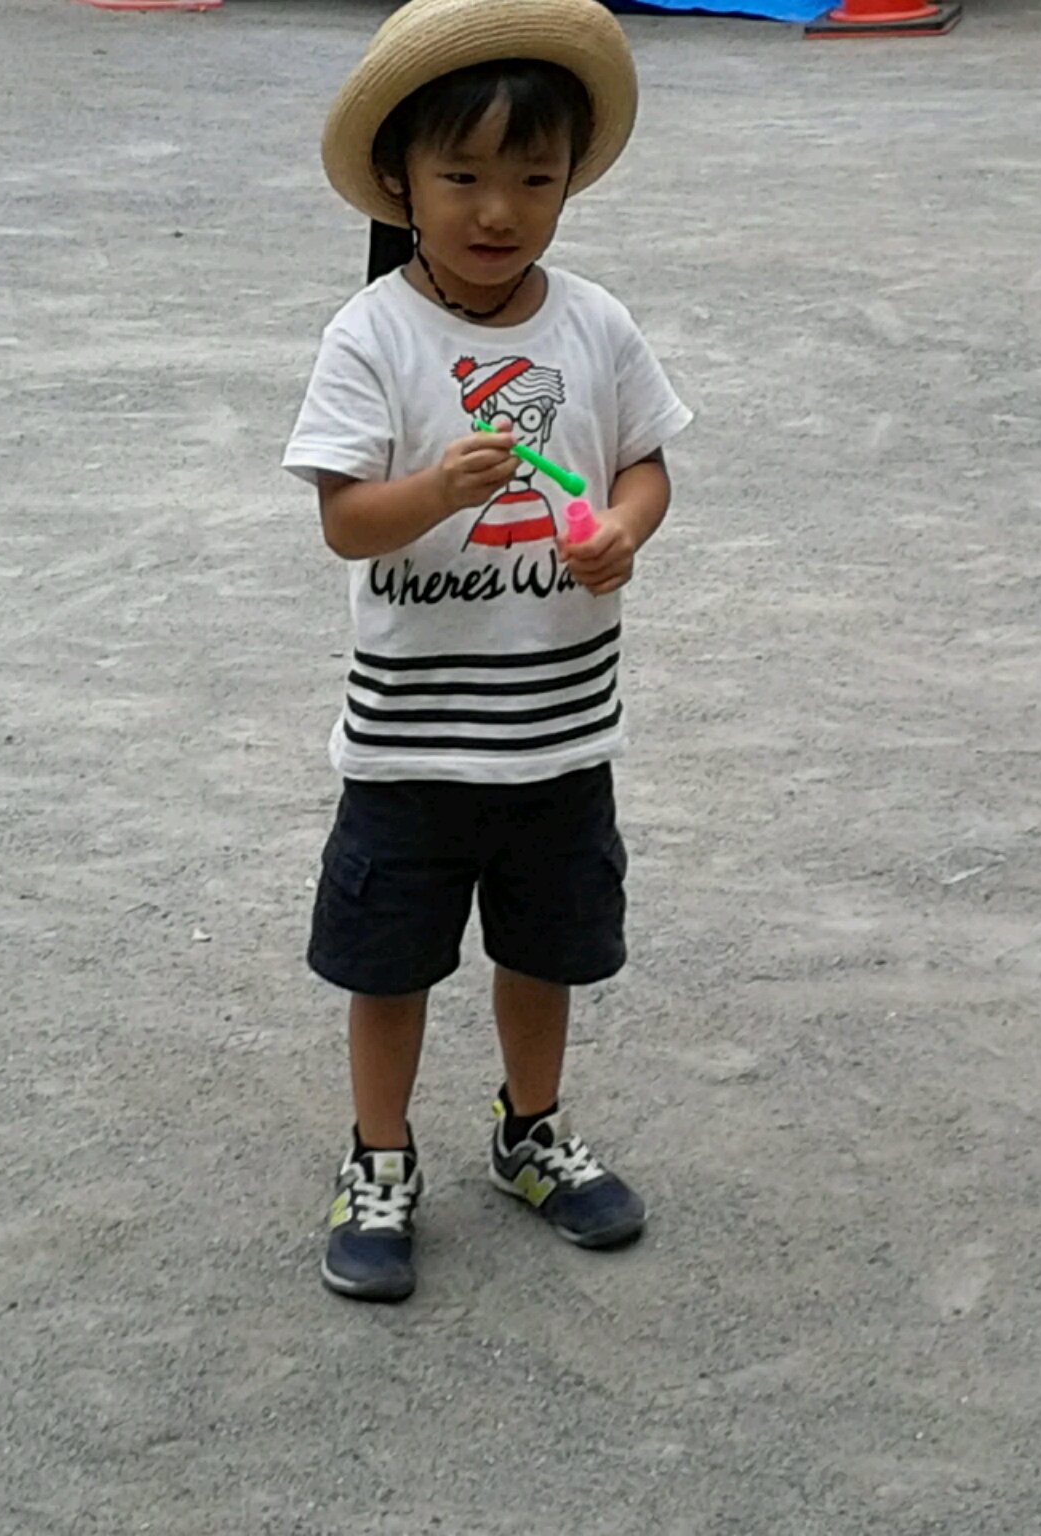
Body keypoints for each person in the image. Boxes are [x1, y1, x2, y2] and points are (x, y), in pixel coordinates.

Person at [282, 0, 692, 1302]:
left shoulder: (594, 325)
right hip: (411, 743)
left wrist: (623, 529)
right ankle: (379, 1156)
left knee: (545, 951)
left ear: (570, 180)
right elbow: (346, 521)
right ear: (401, 180)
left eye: (534, 177)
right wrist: (435, 493)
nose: (499, 209)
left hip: (560, 732)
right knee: (387, 964)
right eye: (462, 176)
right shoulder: (373, 336)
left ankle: (530, 1131)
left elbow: (645, 462)